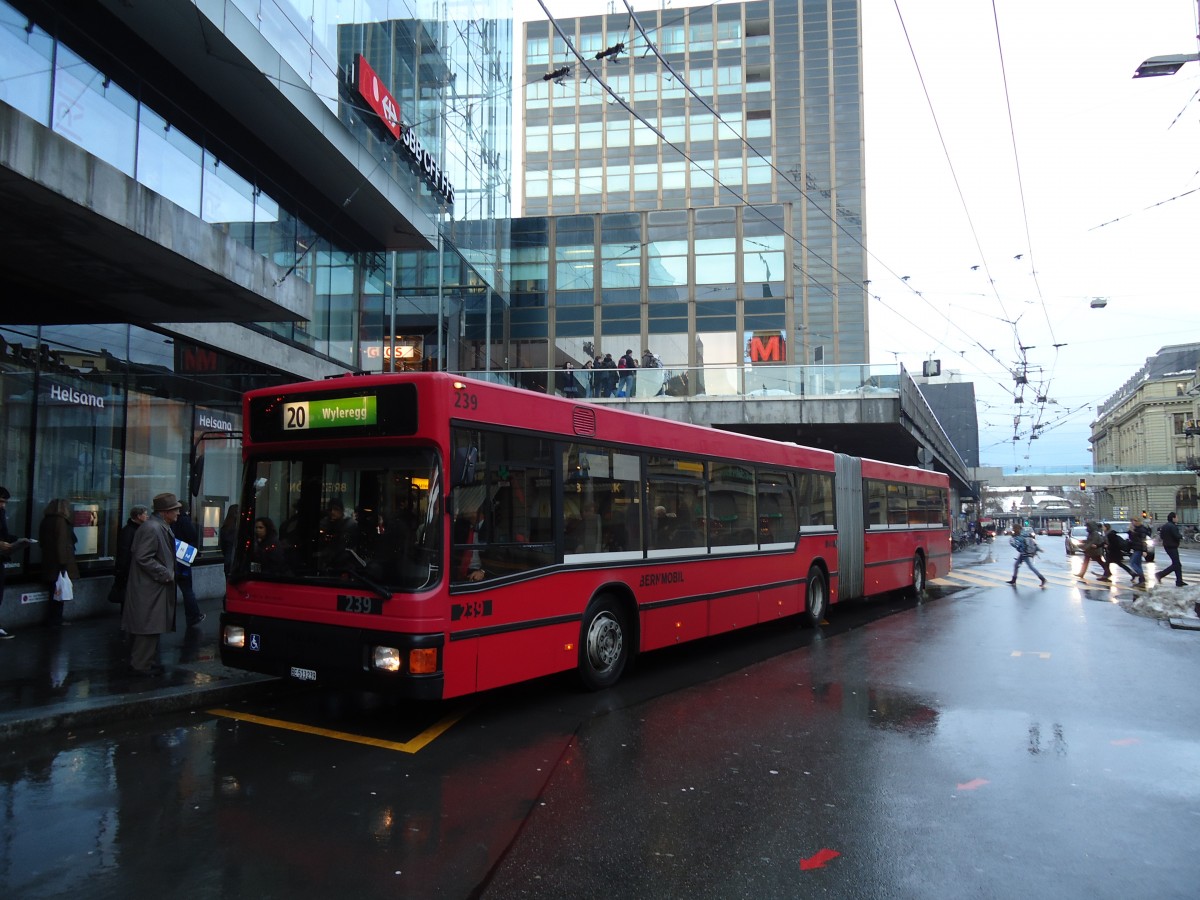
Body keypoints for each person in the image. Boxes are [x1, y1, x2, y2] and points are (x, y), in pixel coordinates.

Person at [123, 492, 182, 675]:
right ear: (165, 512)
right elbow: (143, 556)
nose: (178, 513)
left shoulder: (157, 526)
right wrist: (165, 573)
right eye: (175, 510)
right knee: (147, 626)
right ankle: (141, 665)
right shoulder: (153, 528)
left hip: (152, 587)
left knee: (151, 626)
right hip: (149, 588)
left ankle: (145, 661)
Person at [38, 498, 78, 627]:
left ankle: (54, 618)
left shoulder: (46, 520)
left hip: (49, 561)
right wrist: (63, 563)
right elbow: (61, 543)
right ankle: (56, 619)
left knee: (54, 592)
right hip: (58, 563)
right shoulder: (61, 521)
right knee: (59, 593)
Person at [170, 503, 204, 627]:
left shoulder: (169, 522)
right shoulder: (184, 520)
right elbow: (193, 536)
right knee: (187, 588)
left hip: (172, 557)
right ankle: (193, 615)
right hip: (181, 558)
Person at [112, 505, 149, 611]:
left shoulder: (138, 529)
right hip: (129, 570)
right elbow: (124, 553)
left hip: (135, 569)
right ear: (138, 516)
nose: (147, 516)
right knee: (128, 598)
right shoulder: (129, 531)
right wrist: (122, 571)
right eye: (145, 514)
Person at [0, 486, 19, 639]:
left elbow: (4, 534)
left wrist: (18, 540)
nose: (3, 505)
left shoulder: (1, 514)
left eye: (5, 502)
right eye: (0, 501)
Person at [1155, 512, 1186, 587]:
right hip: (1172, 546)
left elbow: (1161, 536)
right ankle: (1160, 574)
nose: (1177, 519)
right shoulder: (1172, 526)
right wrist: (1181, 536)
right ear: (1173, 518)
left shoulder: (1165, 526)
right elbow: (1176, 536)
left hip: (1167, 546)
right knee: (1176, 564)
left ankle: (1179, 581)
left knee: (1177, 564)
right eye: (1176, 517)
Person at [1127, 517, 1151, 586]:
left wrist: (1144, 550)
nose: (1133, 522)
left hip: (1139, 549)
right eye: (1132, 521)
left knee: (1132, 563)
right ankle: (1141, 580)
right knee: (1138, 564)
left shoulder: (1141, 529)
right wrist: (1130, 530)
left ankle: (1142, 577)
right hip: (1136, 548)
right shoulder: (1135, 529)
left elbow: (1143, 540)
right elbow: (1131, 538)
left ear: (1138, 521)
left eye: (1134, 521)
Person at [218, 504, 240, 575]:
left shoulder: (225, 528)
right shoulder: (238, 529)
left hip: (228, 560)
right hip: (236, 562)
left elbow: (223, 546)